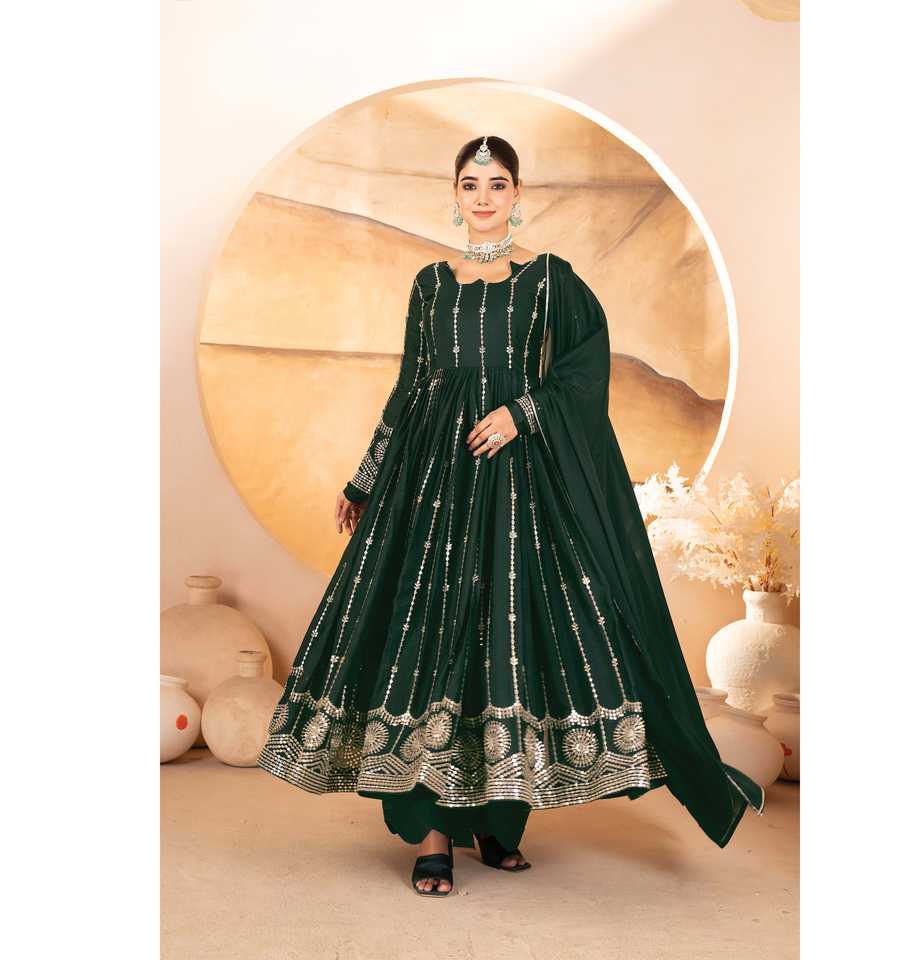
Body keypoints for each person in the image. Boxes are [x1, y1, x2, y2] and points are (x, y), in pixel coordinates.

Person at [257, 135, 764, 897]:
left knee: (508, 640)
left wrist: (521, 413)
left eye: (497, 184)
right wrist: (366, 477)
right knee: (428, 638)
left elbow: (584, 368)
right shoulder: (431, 284)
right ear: (454, 195)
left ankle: (497, 822)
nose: (484, 197)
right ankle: (433, 835)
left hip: (519, 486)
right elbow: (410, 386)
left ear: (518, 193)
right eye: (471, 184)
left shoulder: (549, 280)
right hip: (431, 482)